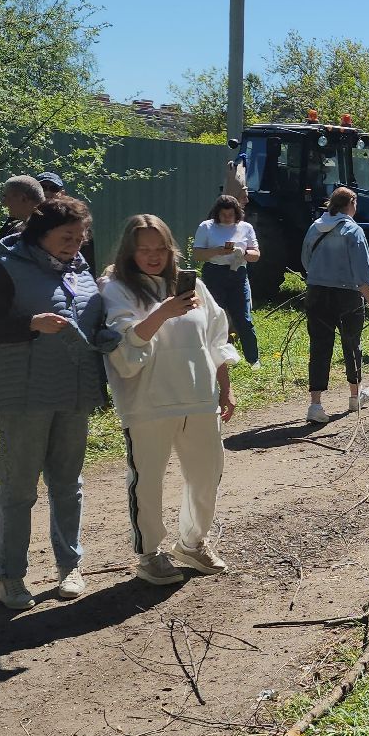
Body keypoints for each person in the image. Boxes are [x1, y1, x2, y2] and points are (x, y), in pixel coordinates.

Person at [0, 196, 113, 611]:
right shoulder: (5, 267)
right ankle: (10, 577)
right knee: (18, 489)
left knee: (69, 485)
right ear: (41, 233)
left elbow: (92, 321)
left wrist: (106, 335)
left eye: (80, 236)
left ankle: (69, 566)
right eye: (67, 236)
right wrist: (29, 324)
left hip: (73, 392)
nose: (76, 242)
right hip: (22, 396)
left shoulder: (81, 271)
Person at [98, 215, 238, 586]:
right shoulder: (116, 288)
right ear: (130, 251)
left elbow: (215, 336)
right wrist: (163, 312)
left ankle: (192, 543)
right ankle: (149, 554)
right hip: (148, 402)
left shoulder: (191, 284)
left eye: (160, 248)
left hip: (198, 396)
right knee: (147, 481)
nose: (153, 256)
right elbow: (125, 343)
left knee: (207, 473)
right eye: (144, 249)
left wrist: (225, 386)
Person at [299, 186, 369, 424]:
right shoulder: (353, 230)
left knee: (319, 346)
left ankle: (316, 404)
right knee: (352, 344)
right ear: (351, 203)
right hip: (347, 296)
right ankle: (355, 398)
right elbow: (363, 273)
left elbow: (305, 260)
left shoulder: (315, 226)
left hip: (316, 292)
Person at [191, 195, 262, 366]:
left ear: (237, 213)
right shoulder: (206, 227)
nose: (227, 218)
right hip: (214, 274)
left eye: (231, 214)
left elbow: (256, 255)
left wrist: (242, 253)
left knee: (244, 318)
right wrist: (217, 251)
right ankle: (210, 358)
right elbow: (197, 254)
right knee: (214, 317)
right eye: (223, 215)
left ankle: (253, 360)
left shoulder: (246, 227)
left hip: (238, 274)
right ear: (217, 213)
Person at [36, 171, 97, 274]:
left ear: (62, 193)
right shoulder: (25, 220)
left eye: (53, 188)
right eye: (43, 187)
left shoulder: (78, 225)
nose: (47, 192)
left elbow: (88, 264)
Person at [0, 175, 44, 250]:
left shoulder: (43, 230)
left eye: (6, 197)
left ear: (23, 198)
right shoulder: (14, 225)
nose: (3, 202)